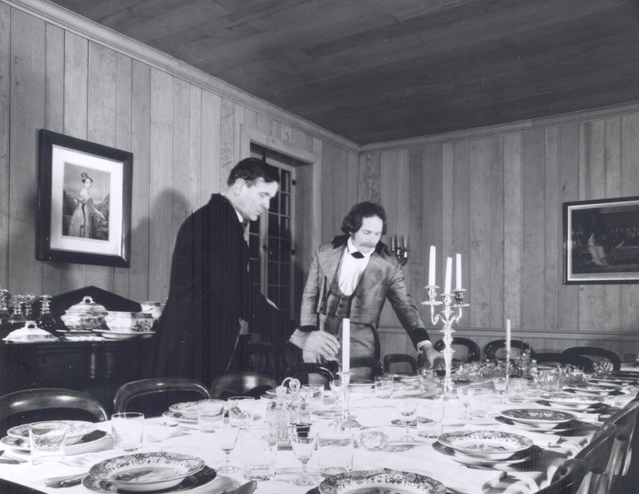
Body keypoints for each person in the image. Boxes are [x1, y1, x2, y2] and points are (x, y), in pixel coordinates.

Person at [150, 158, 287, 386]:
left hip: (195, 345)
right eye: (263, 195)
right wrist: (291, 331)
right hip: (189, 351)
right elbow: (238, 293)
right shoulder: (217, 224)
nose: (268, 205)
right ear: (240, 186)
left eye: (270, 198)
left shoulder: (220, 220)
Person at [290, 201, 437, 369]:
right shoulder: (324, 253)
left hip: (363, 351)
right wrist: (308, 339)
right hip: (321, 343)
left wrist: (426, 345)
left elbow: (405, 306)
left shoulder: (389, 264)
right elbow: (309, 297)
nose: (372, 240)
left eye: (377, 234)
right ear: (352, 228)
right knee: (318, 394)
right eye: (367, 232)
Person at [67, 172, 108, 238]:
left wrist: (100, 213)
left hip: (85, 212)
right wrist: (100, 214)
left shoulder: (86, 192)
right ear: (84, 183)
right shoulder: (83, 193)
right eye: (88, 183)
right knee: (82, 231)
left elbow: (90, 206)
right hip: (81, 214)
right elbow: (91, 207)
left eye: (90, 183)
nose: (90, 184)